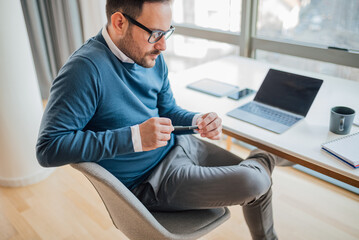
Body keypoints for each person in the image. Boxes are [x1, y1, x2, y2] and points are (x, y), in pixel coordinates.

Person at [36, 0, 293, 239]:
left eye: (166, 32)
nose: (163, 46)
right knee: (256, 180)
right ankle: (267, 156)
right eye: (155, 34)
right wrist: (134, 137)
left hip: (182, 146)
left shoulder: (150, 56)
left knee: (258, 185)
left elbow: (168, 109)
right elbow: (48, 148)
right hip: (152, 180)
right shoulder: (84, 70)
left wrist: (198, 119)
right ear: (119, 22)